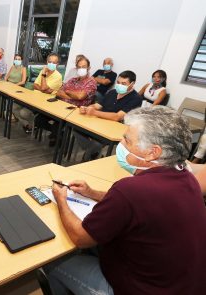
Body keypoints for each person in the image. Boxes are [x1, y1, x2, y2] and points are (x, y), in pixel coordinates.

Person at [43, 106, 206, 295]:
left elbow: (80, 238)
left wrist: (61, 199)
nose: (120, 143)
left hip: (138, 289)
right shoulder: (186, 177)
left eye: (127, 140)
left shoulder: (130, 190)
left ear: (152, 152)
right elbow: (138, 206)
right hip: (179, 284)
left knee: (53, 262)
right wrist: (92, 192)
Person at [75, 71, 143, 160]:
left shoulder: (136, 98)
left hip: (113, 130)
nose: (119, 85)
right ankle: (93, 151)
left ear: (132, 84)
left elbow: (117, 117)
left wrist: (95, 113)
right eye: (118, 82)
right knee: (76, 129)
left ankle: (90, 155)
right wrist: (86, 108)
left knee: (96, 144)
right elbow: (97, 106)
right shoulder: (112, 92)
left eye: (123, 83)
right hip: (98, 123)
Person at [14, 53, 62, 133]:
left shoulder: (58, 76)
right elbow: (35, 85)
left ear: (57, 64)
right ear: (47, 62)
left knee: (23, 113)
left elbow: (42, 87)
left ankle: (34, 124)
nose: (51, 64)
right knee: (14, 106)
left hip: (45, 103)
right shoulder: (43, 71)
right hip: (34, 97)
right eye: (49, 62)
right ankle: (29, 125)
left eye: (54, 62)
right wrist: (44, 89)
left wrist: (43, 75)